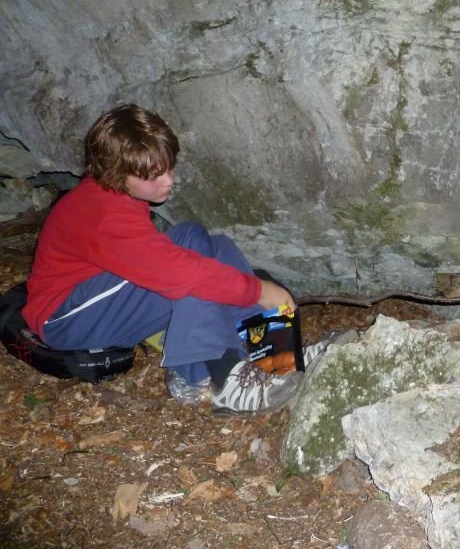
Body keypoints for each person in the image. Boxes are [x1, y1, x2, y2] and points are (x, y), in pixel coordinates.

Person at [22, 103, 300, 415]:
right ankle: (219, 378)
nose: (168, 181)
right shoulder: (103, 212)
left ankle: (273, 355)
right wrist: (260, 291)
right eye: (154, 175)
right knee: (188, 255)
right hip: (66, 319)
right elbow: (180, 274)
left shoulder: (117, 192)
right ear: (117, 172)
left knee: (213, 246)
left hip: (100, 307)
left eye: (170, 168)